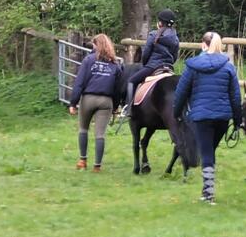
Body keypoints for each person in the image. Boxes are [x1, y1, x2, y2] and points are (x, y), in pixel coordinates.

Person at [173, 32, 242, 204]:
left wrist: (176, 113)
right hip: (222, 118)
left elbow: (181, 92)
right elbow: (235, 96)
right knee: (209, 151)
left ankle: (209, 193)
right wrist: (237, 120)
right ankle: (207, 189)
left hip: (201, 116)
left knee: (206, 153)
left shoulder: (193, 66)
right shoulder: (228, 67)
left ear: (203, 45)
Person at [69, 34, 123, 172]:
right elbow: (118, 89)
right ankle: (97, 166)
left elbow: (79, 83)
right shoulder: (115, 64)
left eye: (93, 45)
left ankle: (82, 160)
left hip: (88, 99)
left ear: (96, 45)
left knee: (83, 129)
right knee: (100, 134)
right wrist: (115, 107)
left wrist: (73, 103)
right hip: (106, 101)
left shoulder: (88, 60)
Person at [121, 9, 180, 117]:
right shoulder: (175, 38)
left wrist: (145, 64)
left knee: (131, 81)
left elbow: (146, 53)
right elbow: (175, 56)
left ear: (160, 22)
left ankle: (128, 108)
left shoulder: (154, 35)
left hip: (153, 66)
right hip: (168, 67)